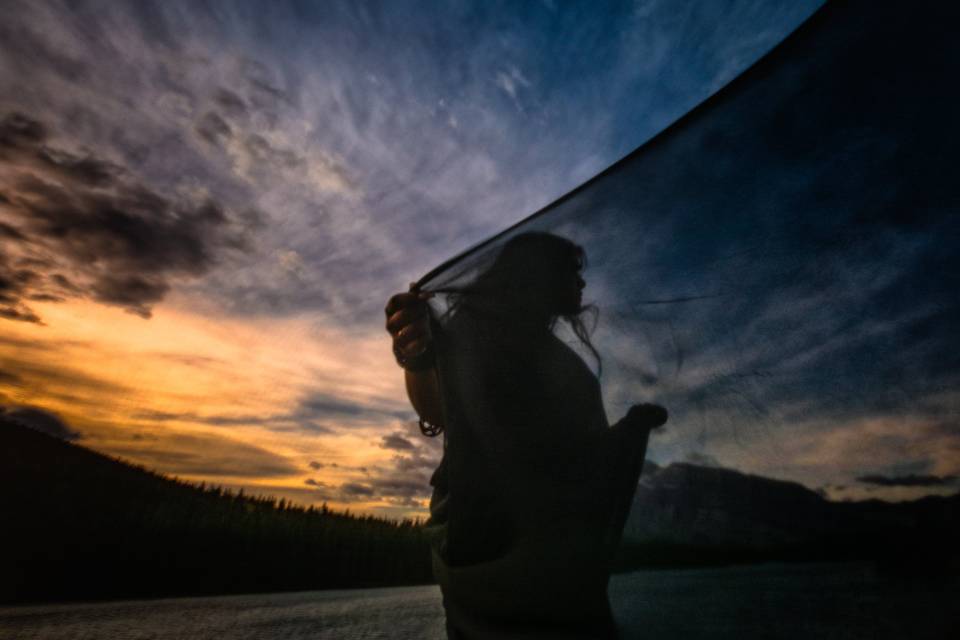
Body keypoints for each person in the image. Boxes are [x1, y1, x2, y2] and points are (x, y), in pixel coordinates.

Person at [385, 232, 667, 639]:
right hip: (495, 555)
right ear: (539, 273)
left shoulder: (559, 359)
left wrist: (632, 429)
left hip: (550, 557)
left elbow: (579, 460)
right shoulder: (478, 335)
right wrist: (415, 353)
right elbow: (437, 411)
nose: (582, 283)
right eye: (573, 271)